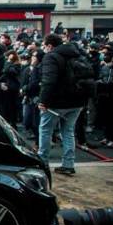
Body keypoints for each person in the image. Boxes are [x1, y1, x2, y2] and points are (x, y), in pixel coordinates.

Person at [38, 34, 87, 175]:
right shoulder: (77, 54)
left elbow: (48, 81)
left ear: (49, 45)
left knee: (46, 130)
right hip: (77, 101)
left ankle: (43, 162)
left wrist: (43, 101)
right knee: (68, 132)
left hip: (56, 102)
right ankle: (68, 164)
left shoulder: (51, 57)